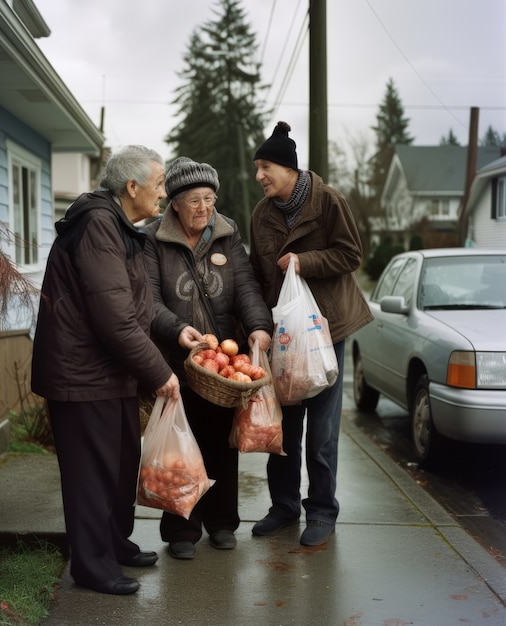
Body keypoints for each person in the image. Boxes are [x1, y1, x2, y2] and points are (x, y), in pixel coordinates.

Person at [31, 145, 180, 596]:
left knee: (119, 464)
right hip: (82, 377)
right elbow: (113, 317)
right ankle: (92, 567)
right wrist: (161, 373)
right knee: (91, 475)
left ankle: (114, 544)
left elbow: (136, 303)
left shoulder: (121, 226)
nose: (164, 193)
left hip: (108, 374)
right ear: (131, 187)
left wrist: (179, 333)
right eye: (158, 185)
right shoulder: (99, 226)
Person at [249, 121, 373, 546]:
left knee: (321, 429)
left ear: (288, 168)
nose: (259, 176)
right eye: (257, 169)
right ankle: (283, 507)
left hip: (326, 329)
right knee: (283, 426)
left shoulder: (328, 201)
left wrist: (303, 261)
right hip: (284, 335)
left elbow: (350, 254)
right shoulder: (261, 215)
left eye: (265, 167)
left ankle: (321, 511)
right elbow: (260, 278)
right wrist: (257, 330)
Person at [143, 157, 273, 560]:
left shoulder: (227, 235)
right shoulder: (152, 239)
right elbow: (146, 299)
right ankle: (181, 528)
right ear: (176, 203)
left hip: (222, 362)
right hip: (175, 360)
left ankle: (221, 523)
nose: (204, 208)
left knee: (220, 441)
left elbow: (246, 287)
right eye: (195, 200)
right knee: (180, 444)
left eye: (209, 199)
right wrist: (175, 329)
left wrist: (258, 325)